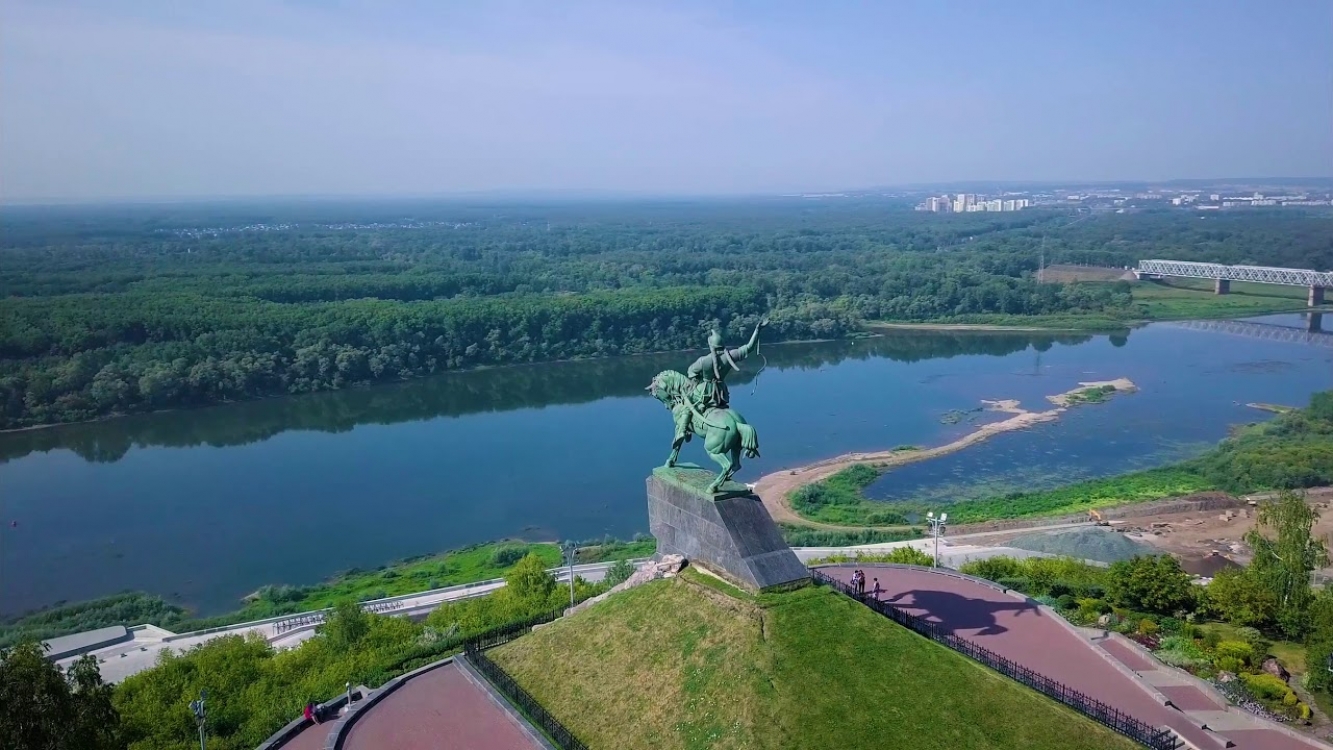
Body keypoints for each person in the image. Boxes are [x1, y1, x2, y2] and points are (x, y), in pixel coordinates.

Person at [685, 320, 767, 412]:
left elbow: (691, 372)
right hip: (721, 392)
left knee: (686, 406)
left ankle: (684, 426)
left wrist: (700, 379)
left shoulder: (703, 360)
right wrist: (757, 330)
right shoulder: (730, 356)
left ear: (711, 345)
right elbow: (749, 347)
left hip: (704, 393)